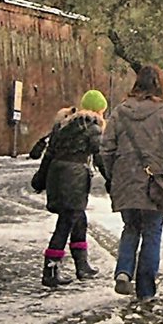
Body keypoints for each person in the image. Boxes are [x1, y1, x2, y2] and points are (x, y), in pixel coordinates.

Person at [99, 64, 163, 302]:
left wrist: (113, 176)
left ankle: (124, 271)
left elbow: (106, 149)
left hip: (125, 179)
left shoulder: (119, 112)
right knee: (152, 232)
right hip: (155, 182)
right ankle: (146, 290)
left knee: (131, 227)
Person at [31, 89, 108, 289]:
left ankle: (82, 265)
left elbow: (49, 153)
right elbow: (99, 156)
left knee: (78, 219)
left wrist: (40, 179)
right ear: (100, 110)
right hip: (74, 178)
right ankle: (50, 270)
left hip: (57, 175)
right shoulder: (92, 126)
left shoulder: (64, 124)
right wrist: (111, 179)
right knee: (66, 222)